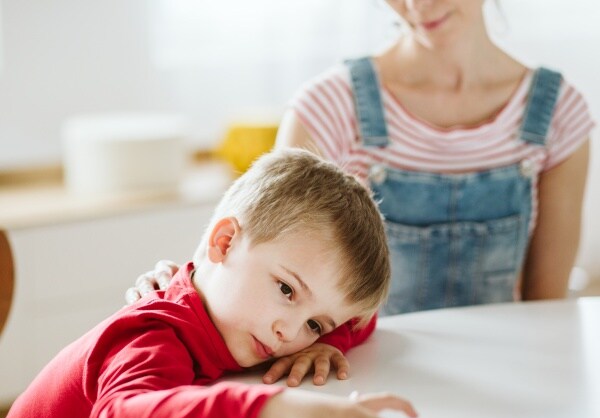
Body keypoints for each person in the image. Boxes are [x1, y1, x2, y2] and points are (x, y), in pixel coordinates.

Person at [129, 0, 594, 385]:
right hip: (360, 380)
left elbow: (544, 311)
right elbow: (236, 261)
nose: (417, 5)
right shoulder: (332, 105)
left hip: (501, 377)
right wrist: (170, 286)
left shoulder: (557, 113)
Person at [0, 149, 417, 418]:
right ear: (225, 243)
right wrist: (276, 411)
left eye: (313, 323)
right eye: (287, 291)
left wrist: (327, 340)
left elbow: (361, 319)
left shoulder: (241, 324)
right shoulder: (155, 333)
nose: (288, 333)